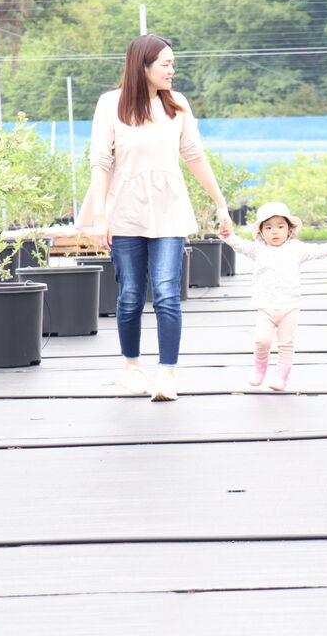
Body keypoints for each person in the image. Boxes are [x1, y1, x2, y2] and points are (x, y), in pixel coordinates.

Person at [78, 34, 233, 402]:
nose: (172, 70)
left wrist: (220, 203)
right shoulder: (110, 104)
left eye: (172, 64)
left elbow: (194, 155)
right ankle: (132, 366)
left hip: (168, 209)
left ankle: (167, 374)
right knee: (131, 293)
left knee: (166, 292)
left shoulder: (177, 105)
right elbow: (100, 161)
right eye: (166, 64)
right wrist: (100, 216)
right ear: (142, 66)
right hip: (124, 210)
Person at [222, 201, 327, 392]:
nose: (275, 232)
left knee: (286, 345)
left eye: (280, 226)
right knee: (262, 341)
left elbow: (318, 251)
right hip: (266, 306)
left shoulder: (296, 248)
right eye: (268, 228)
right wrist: (228, 235)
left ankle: (281, 376)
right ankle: (260, 367)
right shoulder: (258, 249)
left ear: (289, 229)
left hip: (290, 307)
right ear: (261, 232)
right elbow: (240, 245)